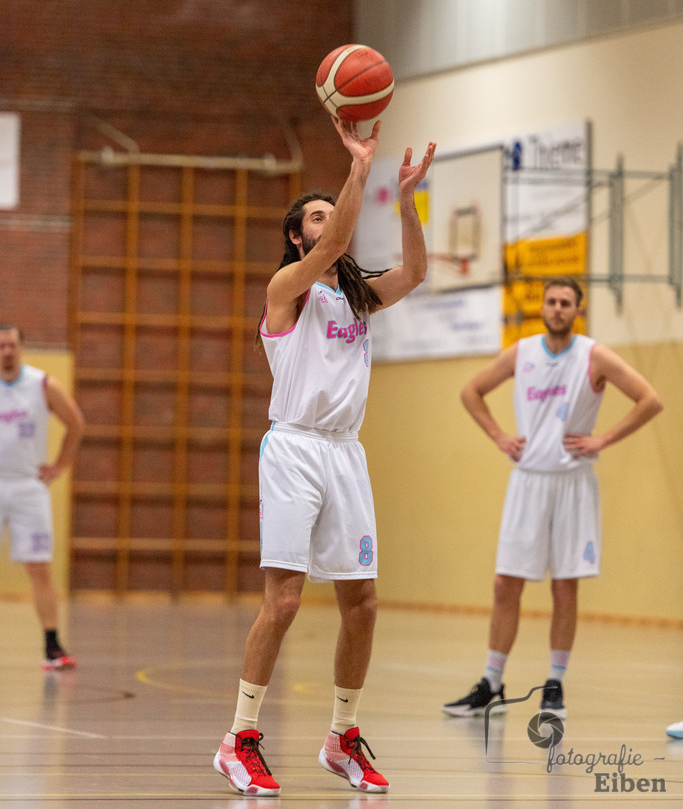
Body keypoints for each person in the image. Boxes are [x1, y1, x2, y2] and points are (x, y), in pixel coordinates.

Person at [212, 116, 436, 796]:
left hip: (346, 454)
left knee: (361, 602)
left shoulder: (357, 300)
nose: (327, 221)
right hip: (294, 449)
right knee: (282, 603)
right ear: (296, 236)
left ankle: (342, 736)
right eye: (314, 215)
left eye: (327, 211)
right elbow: (340, 236)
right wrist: (358, 167)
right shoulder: (287, 292)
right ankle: (238, 738)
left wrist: (404, 201)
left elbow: (417, 272)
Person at [443, 277, 662, 720]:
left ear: (577, 310)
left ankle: (555, 684)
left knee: (565, 586)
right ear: (542, 307)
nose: (557, 308)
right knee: (506, 583)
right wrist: (499, 436)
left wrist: (604, 438)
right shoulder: (522, 353)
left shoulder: (593, 355)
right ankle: (492, 682)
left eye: (565, 302)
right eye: (551, 301)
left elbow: (649, 400)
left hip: (573, 483)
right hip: (527, 481)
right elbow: (471, 392)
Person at [0, 324, 85, 669]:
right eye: (1, 346)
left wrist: (60, 465)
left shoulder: (43, 384)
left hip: (27, 486)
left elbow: (76, 423)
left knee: (39, 567)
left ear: (22, 348)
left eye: (11, 345)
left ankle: (52, 646)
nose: (6, 351)